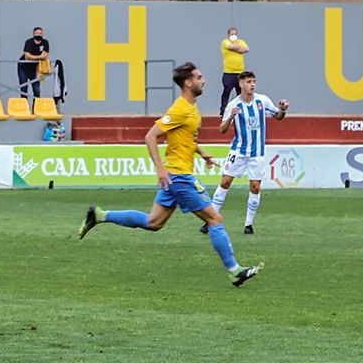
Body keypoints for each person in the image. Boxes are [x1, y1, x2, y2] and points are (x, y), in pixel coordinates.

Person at [77, 61, 260, 288]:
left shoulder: (192, 110)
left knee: (153, 222)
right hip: (180, 177)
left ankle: (100, 215)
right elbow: (150, 136)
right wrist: (161, 169)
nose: (204, 80)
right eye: (199, 77)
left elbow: (186, 140)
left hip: (176, 176)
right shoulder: (180, 109)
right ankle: (234, 270)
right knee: (215, 219)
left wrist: (201, 153)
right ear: (188, 82)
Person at [210, 71, 288, 235]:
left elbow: (278, 117)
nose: (252, 85)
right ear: (241, 84)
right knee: (225, 182)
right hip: (238, 150)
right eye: (248, 82)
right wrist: (231, 116)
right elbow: (222, 130)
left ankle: (248, 224)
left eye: (253, 81)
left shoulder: (262, 100)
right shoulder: (233, 105)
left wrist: (282, 110)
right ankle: (210, 219)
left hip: (257, 152)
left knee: (255, 186)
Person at [219, 27, 250, 118]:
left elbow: (247, 49)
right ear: (228, 35)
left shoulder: (241, 41)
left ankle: (241, 110)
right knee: (226, 92)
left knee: (240, 92)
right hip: (228, 72)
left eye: (235, 34)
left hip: (240, 73)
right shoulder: (225, 42)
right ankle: (223, 111)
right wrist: (239, 49)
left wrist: (238, 48)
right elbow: (231, 47)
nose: (234, 36)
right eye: (232, 34)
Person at [18, 26, 51, 100]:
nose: (38, 35)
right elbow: (27, 57)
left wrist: (34, 57)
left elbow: (45, 56)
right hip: (23, 67)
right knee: (23, 88)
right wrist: (39, 57)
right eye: (37, 33)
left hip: (36, 67)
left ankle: (35, 108)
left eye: (40, 33)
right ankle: (24, 108)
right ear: (33, 34)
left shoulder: (45, 42)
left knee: (36, 89)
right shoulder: (29, 42)